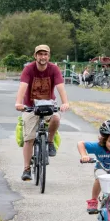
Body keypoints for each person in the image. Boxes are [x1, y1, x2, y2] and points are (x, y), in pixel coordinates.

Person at [14, 45, 70, 181]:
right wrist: (18, 103)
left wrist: (65, 102)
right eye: (40, 54)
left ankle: (49, 142)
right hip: (31, 107)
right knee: (29, 138)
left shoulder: (54, 69)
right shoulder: (29, 69)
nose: (42, 57)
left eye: (45, 54)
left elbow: (60, 86)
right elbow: (23, 86)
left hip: (49, 105)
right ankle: (27, 169)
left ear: (49, 56)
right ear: (35, 56)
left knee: (56, 119)